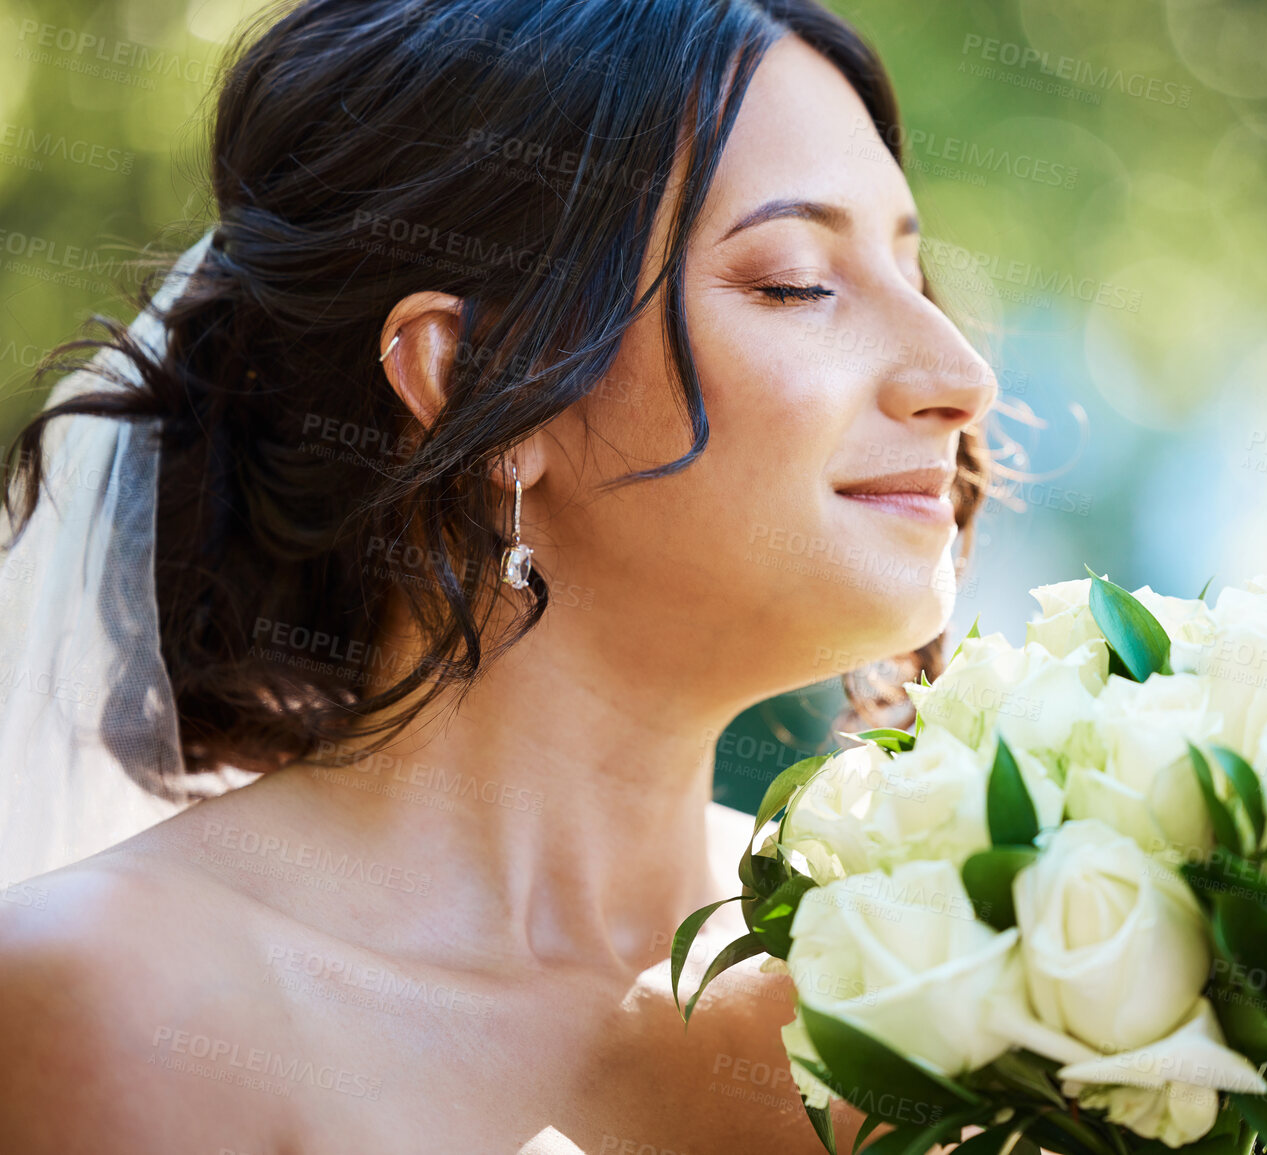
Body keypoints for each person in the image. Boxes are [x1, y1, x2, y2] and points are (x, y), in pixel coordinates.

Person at [0, 1, 997, 1151]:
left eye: (914, 275)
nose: (958, 373)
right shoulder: (116, 1012)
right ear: (473, 384)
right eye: (793, 282)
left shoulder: (961, 985)